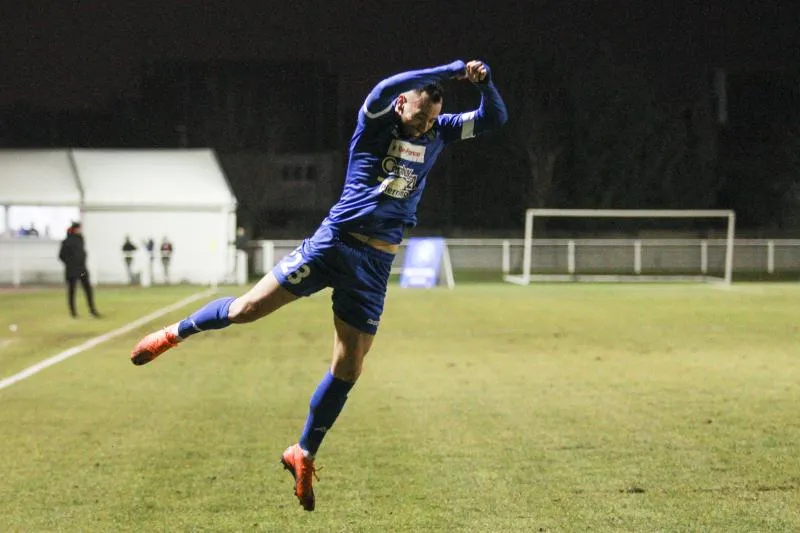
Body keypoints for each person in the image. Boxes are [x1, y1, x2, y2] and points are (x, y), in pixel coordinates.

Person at [129, 59, 507, 511]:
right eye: (419, 116)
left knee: (350, 367)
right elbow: (384, 83)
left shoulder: (439, 133)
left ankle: (302, 452)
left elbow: (494, 118)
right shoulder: (374, 123)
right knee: (247, 310)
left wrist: (486, 85)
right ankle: (174, 333)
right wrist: (448, 69)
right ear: (402, 105)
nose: (425, 126)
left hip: (375, 265)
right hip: (334, 245)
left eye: (431, 120)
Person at [58, 222, 100, 318]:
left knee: (88, 290)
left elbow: (81, 253)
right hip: (72, 270)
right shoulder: (67, 241)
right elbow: (61, 256)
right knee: (72, 291)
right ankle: (73, 312)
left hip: (82, 269)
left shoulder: (80, 239)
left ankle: (92, 310)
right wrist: (70, 263)